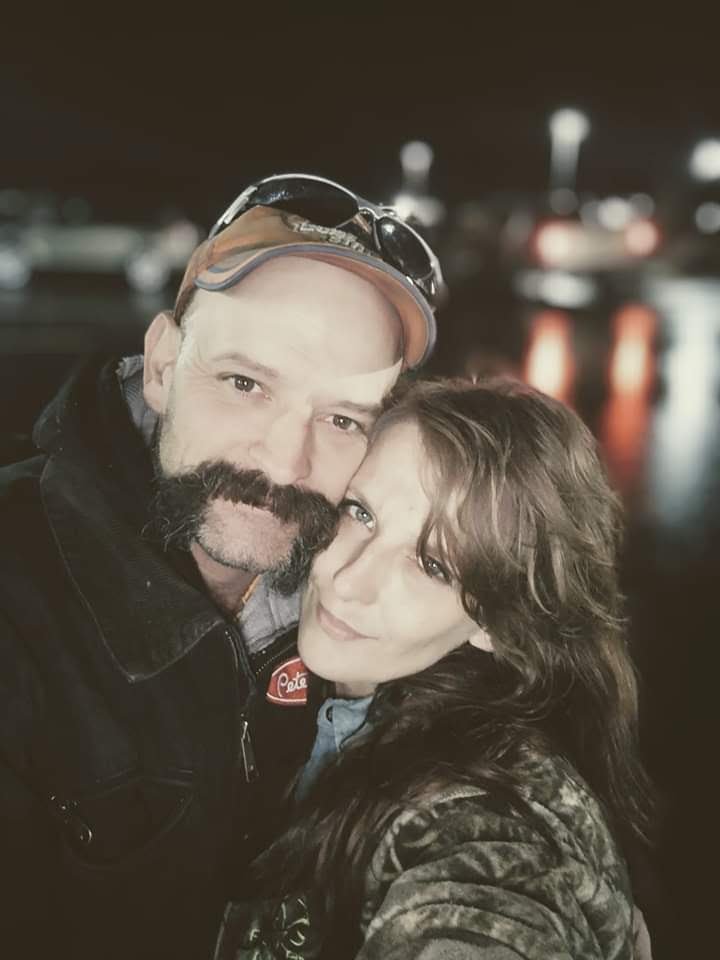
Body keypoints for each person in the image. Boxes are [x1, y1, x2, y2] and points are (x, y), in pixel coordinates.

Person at [0, 174, 443, 958]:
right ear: (164, 363)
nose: (285, 459)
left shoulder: (364, 594)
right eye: (246, 384)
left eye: (342, 419)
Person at [215, 377, 656, 960]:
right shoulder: (310, 681)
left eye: (432, 564)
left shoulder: (487, 828)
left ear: (495, 622)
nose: (348, 580)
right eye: (361, 512)